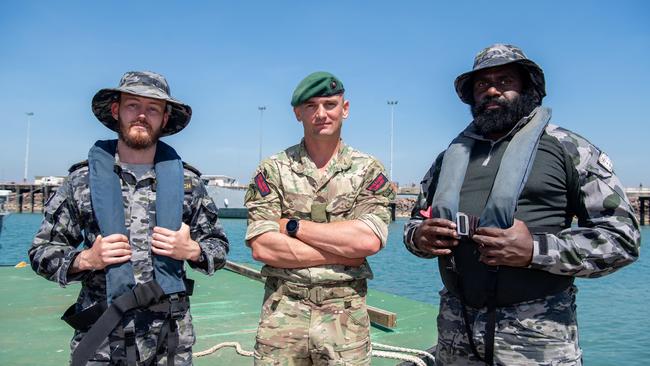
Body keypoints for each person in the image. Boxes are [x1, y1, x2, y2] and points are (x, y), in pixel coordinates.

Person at [403, 44, 641, 365]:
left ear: (528, 87)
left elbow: (622, 240)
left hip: (536, 335)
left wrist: (534, 251)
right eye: (481, 84)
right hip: (454, 331)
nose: (491, 91)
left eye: (504, 81)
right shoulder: (448, 159)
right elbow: (414, 225)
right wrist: (420, 238)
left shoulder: (570, 150)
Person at [29, 71, 229, 366]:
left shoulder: (189, 183)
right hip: (103, 340)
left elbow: (219, 247)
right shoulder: (81, 181)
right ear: (116, 111)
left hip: (169, 341)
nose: (141, 116)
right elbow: (41, 251)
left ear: (164, 118)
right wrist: (86, 259)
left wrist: (193, 251)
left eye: (152, 109)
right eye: (133, 105)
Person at [244, 71, 395, 365]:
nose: (321, 114)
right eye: (311, 106)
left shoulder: (368, 170)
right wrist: (344, 254)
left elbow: (367, 240)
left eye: (330, 104)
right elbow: (263, 247)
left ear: (345, 109)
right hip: (284, 312)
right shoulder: (273, 169)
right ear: (298, 113)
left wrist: (292, 226)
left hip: (345, 317)